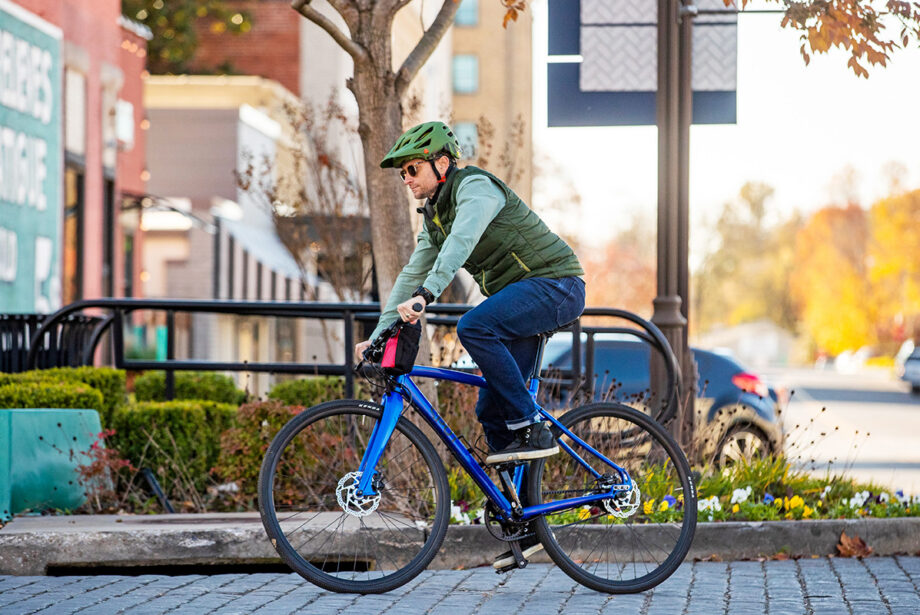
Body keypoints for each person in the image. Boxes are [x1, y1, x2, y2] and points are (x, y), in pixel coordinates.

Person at [356, 119, 586, 466]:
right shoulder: (434, 217)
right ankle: (519, 512)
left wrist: (427, 293)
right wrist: (376, 335)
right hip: (523, 296)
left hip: (556, 284)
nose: (407, 178)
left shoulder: (476, 188)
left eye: (413, 168)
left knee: (474, 326)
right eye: (402, 173)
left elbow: (461, 241)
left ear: (442, 163)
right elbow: (410, 275)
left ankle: (535, 428)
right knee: (492, 409)